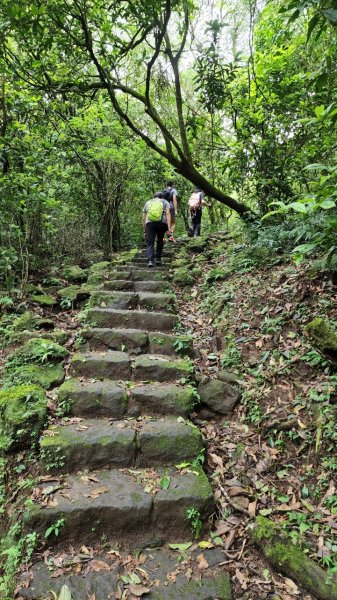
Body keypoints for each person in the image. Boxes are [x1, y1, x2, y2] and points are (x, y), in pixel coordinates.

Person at [142, 192, 171, 267]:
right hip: (162, 223)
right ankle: (158, 259)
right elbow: (168, 214)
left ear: (154, 197)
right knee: (160, 240)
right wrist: (169, 228)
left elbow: (144, 218)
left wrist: (144, 230)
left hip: (150, 223)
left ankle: (150, 261)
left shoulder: (148, 202)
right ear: (162, 197)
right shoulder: (165, 202)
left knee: (150, 242)